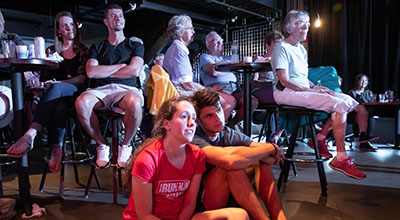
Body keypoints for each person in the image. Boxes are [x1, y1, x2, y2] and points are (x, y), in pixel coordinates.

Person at [271, 10, 365, 179]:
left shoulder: (301, 49)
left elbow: (303, 78)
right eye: (301, 22)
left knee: (349, 101)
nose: (306, 26)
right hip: (285, 92)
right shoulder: (281, 47)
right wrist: (309, 90)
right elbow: (284, 80)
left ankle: (320, 139)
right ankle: (341, 157)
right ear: (289, 27)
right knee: (338, 104)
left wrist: (317, 88)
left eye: (307, 23)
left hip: (300, 89)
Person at [123, 96, 249, 220]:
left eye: (193, 118)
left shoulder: (196, 155)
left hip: (180, 217)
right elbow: (145, 215)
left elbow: (189, 203)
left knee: (238, 215)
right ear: (167, 124)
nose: (191, 123)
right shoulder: (148, 160)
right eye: (184, 117)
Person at [7, 11, 89, 172]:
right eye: (64, 25)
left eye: (71, 24)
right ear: (58, 30)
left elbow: (82, 78)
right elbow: (43, 76)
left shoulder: (83, 51)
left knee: (57, 89)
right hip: (56, 97)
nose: (69, 28)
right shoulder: (51, 51)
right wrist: (40, 83)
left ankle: (31, 133)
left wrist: (57, 83)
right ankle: (57, 150)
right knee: (58, 106)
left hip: (76, 93)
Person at [191, 90, 286, 220]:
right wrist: (270, 147)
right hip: (204, 202)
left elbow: (270, 159)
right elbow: (229, 160)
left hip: (233, 193)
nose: (217, 118)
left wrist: (268, 151)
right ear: (199, 121)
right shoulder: (194, 137)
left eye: (218, 110)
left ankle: (279, 217)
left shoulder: (228, 133)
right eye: (209, 116)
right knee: (230, 167)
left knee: (259, 162)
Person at [74, 4, 144, 168]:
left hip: (127, 90)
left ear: (124, 20)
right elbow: (91, 72)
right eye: (113, 16)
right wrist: (121, 66)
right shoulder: (97, 47)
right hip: (101, 90)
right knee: (81, 103)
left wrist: (104, 71)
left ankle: (125, 145)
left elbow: (134, 70)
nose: (117, 18)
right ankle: (101, 144)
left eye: (120, 15)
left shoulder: (134, 45)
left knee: (134, 102)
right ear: (106, 21)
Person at [163, 15, 236, 120]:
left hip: (181, 90)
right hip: (181, 93)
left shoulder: (177, 49)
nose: (194, 32)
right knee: (230, 101)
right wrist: (209, 90)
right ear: (179, 32)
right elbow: (187, 85)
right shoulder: (178, 51)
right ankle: (212, 133)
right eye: (191, 29)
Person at [200, 31, 258, 127]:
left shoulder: (229, 58)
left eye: (221, 41)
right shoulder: (206, 57)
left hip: (234, 89)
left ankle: (229, 126)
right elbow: (212, 71)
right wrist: (232, 69)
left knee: (252, 101)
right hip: (218, 90)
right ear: (207, 45)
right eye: (215, 40)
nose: (219, 43)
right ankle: (219, 128)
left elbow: (240, 70)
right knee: (229, 102)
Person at [348, 74, 378, 150]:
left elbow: (372, 103)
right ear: (357, 81)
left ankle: (364, 140)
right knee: (360, 112)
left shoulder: (368, 92)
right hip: (353, 113)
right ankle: (363, 139)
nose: (364, 82)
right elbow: (349, 104)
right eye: (362, 80)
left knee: (370, 117)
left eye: (365, 81)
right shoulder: (352, 92)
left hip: (366, 114)